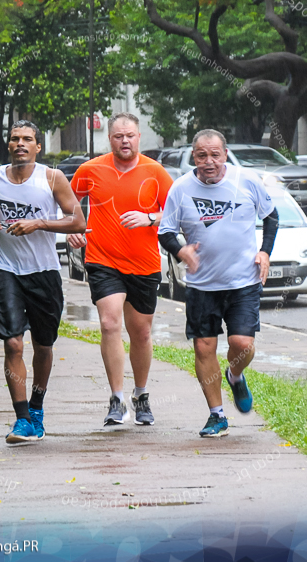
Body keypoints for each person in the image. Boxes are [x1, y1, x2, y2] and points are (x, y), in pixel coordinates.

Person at [157, 129, 278, 438]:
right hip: (202, 285)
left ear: (225, 154)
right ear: (193, 157)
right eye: (201, 155)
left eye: (214, 155)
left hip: (243, 282)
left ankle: (235, 374)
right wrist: (180, 249)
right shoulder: (181, 189)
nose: (208, 162)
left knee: (241, 344)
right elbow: (166, 231)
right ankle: (217, 415)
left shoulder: (246, 181)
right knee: (204, 346)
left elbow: (271, 217)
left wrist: (264, 252)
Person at [0, 120, 86, 444]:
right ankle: (21, 419)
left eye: (27, 139)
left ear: (38, 146)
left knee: (44, 346)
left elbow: (78, 220)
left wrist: (40, 223)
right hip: (7, 271)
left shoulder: (51, 178)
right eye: (14, 139)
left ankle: (37, 408)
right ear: (7, 145)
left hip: (45, 273)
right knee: (12, 343)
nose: (20, 144)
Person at [67, 113, 174, 426]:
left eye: (129, 135)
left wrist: (150, 219)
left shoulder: (155, 172)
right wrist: (73, 227)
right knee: (109, 322)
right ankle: (117, 399)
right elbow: (69, 201)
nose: (124, 141)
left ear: (139, 137)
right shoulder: (91, 170)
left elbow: (177, 212)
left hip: (144, 262)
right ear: (109, 139)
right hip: (103, 259)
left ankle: (141, 396)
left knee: (140, 332)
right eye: (118, 136)